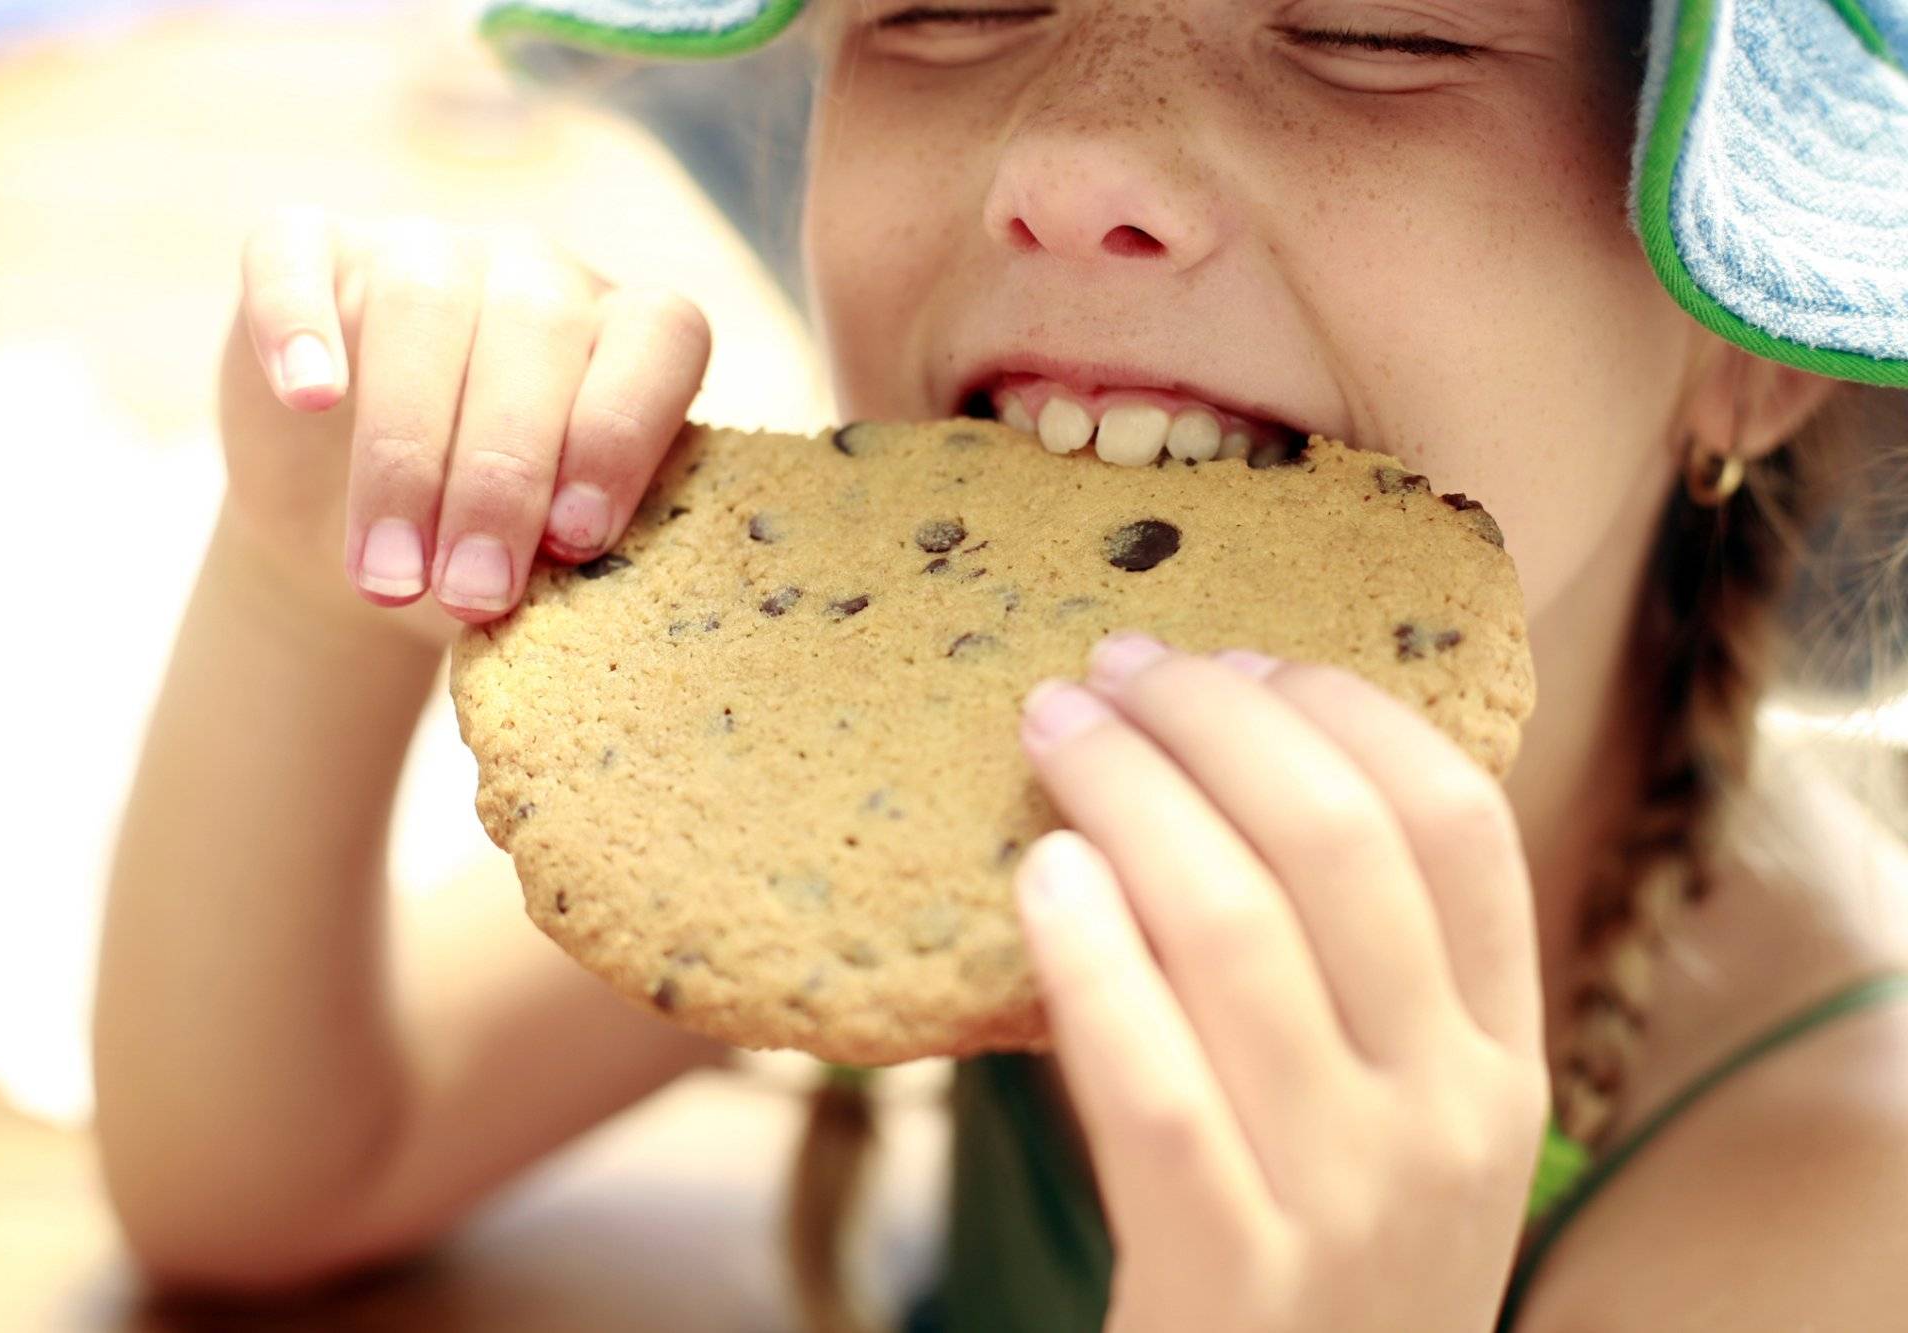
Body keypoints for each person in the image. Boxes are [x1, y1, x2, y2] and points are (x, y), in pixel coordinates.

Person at [95, 0, 1908, 1329]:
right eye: (954, 5)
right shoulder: (916, 771)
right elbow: (260, 1180)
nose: (1072, 167)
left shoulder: (1833, 1194)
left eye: (1372, 30)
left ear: (1747, 343)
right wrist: (314, 578)